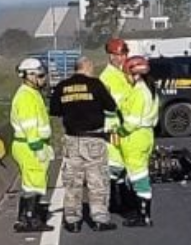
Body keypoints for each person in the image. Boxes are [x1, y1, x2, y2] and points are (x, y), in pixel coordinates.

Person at [49, 56, 121, 233]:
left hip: (72, 139)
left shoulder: (62, 86)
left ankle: (72, 220)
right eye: (93, 67)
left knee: (73, 181)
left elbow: (55, 110)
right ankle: (100, 218)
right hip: (94, 138)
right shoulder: (95, 84)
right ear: (87, 67)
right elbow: (112, 106)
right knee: (97, 181)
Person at [11, 58, 54, 233]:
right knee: (34, 183)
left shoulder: (31, 93)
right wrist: (37, 148)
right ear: (28, 76)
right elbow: (29, 125)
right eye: (41, 76)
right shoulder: (26, 96)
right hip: (30, 146)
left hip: (31, 144)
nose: (44, 79)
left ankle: (26, 217)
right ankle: (30, 218)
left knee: (32, 182)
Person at [116, 56, 158, 227]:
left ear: (135, 74)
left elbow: (131, 121)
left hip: (135, 137)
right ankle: (142, 213)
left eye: (126, 72)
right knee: (139, 174)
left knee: (139, 177)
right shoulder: (149, 90)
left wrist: (120, 130)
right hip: (145, 134)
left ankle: (143, 215)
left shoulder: (139, 93)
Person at [99, 38, 134, 213]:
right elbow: (119, 104)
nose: (121, 58)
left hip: (124, 127)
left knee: (122, 166)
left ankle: (122, 201)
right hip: (113, 129)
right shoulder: (107, 77)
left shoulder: (122, 74)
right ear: (110, 56)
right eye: (117, 55)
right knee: (115, 166)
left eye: (123, 54)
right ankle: (114, 202)